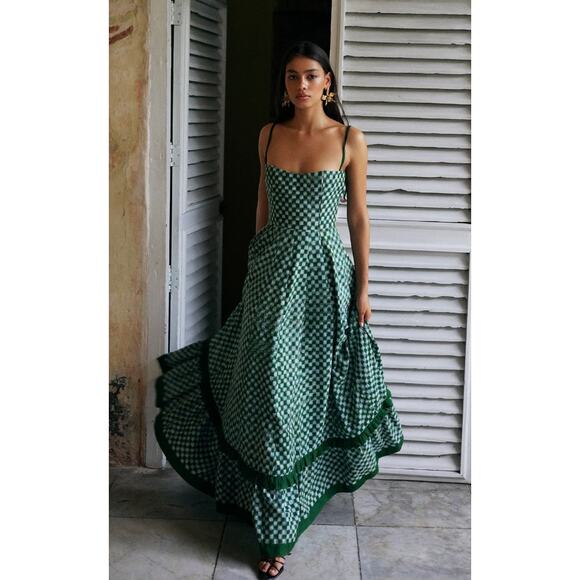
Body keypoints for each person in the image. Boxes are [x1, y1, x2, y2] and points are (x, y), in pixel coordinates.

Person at [154, 40, 404, 579]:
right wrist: (254, 268)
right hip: (271, 277)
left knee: (309, 391)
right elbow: (263, 207)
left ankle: (295, 500)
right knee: (270, 390)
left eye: (311, 75)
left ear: (328, 82)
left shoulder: (350, 140)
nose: (301, 85)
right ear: (284, 85)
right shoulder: (268, 135)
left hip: (325, 280)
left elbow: (358, 218)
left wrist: (363, 288)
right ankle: (274, 525)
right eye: (292, 76)